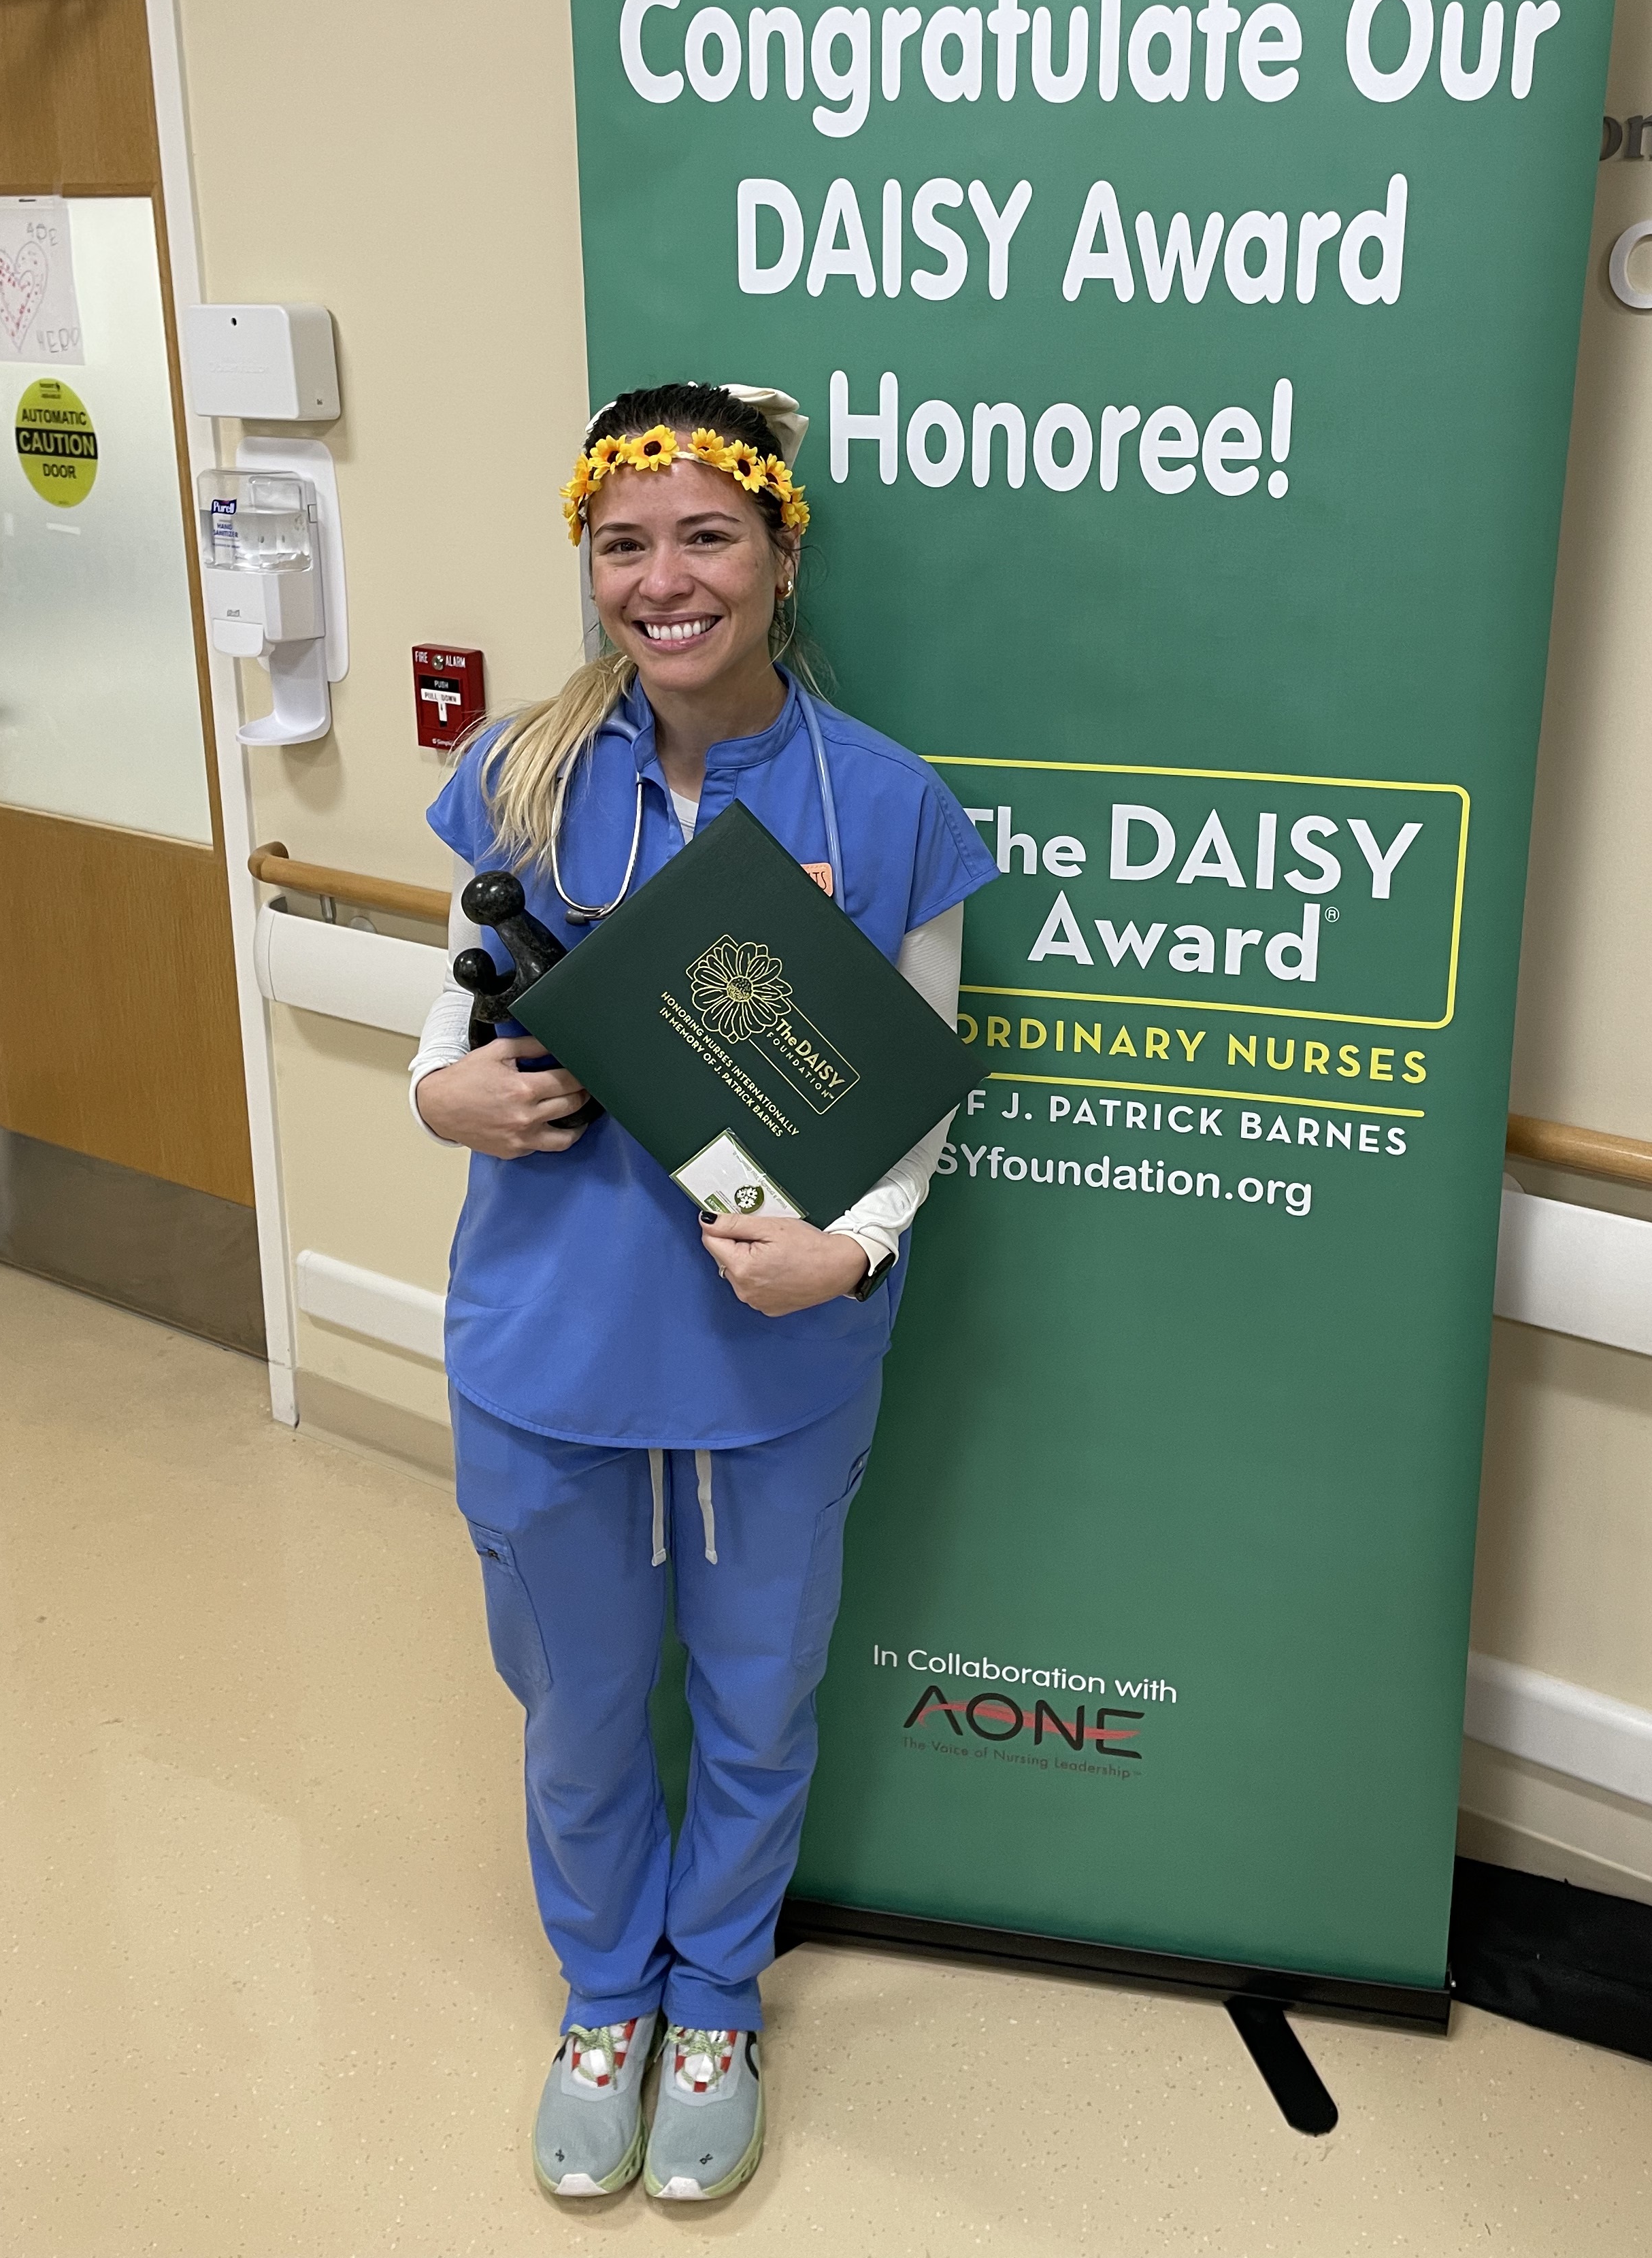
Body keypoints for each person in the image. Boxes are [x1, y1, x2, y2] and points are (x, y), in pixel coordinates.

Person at [408, 382, 998, 2202]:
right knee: (580, 1702)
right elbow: (448, 1035)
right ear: (589, 568)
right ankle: (606, 1998)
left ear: (778, 551)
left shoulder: (885, 807)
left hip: (773, 1354)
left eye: (706, 536)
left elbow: (913, 1100)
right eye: (623, 546)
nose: (665, 583)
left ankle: (716, 2000)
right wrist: (452, 1097)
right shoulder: (526, 777)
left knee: (757, 1695)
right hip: (547, 1345)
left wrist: (855, 1249)